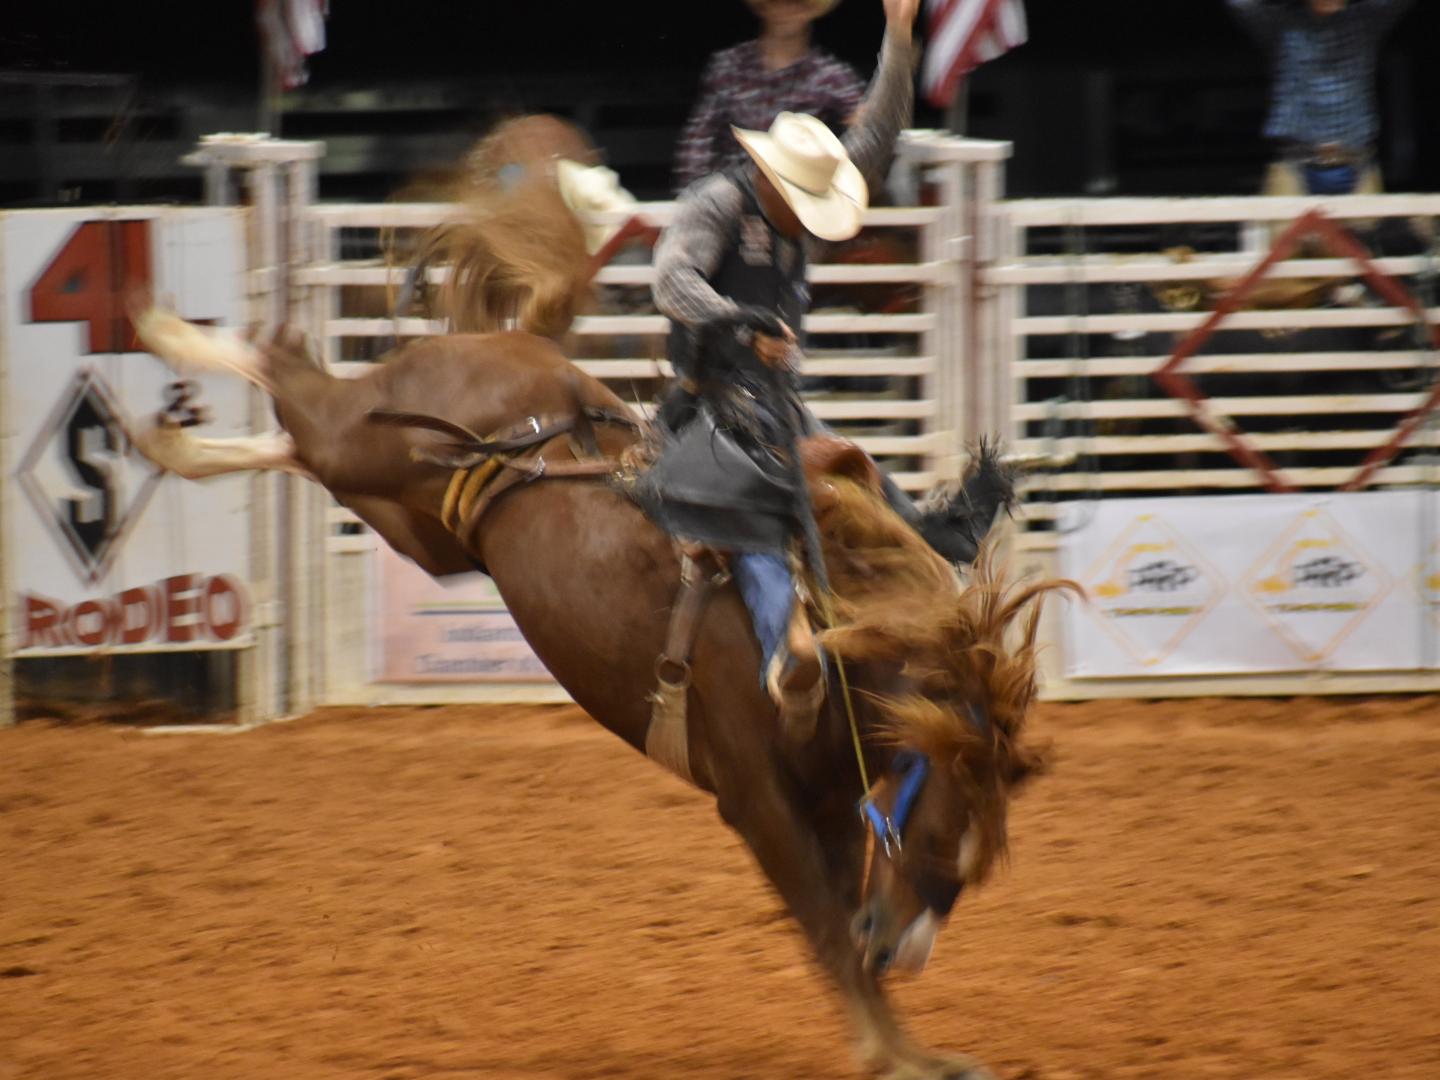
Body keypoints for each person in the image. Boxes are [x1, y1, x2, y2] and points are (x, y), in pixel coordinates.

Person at [651, 0, 986, 733]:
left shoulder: (794, 197)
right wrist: (742, 324)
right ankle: (786, 658)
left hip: (778, 403)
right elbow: (670, 280)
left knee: (871, 492)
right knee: (760, 519)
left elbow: (876, 137)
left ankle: (937, 591)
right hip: (708, 402)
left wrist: (899, 39)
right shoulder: (717, 203)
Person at [674, 0, 866, 194]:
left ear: (810, 10)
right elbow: (697, 145)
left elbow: (867, 132)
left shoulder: (830, 77)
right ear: (764, 7)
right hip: (730, 200)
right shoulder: (728, 67)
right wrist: (697, 202)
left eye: (798, 3)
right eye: (777, 2)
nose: (786, 10)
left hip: (798, 206)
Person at [1226, 0, 1415, 196]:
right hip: (1296, 161)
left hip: (1356, 158)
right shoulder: (1282, 24)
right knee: (1283, 224)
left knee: (1369, 225)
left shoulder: (1364, 20)